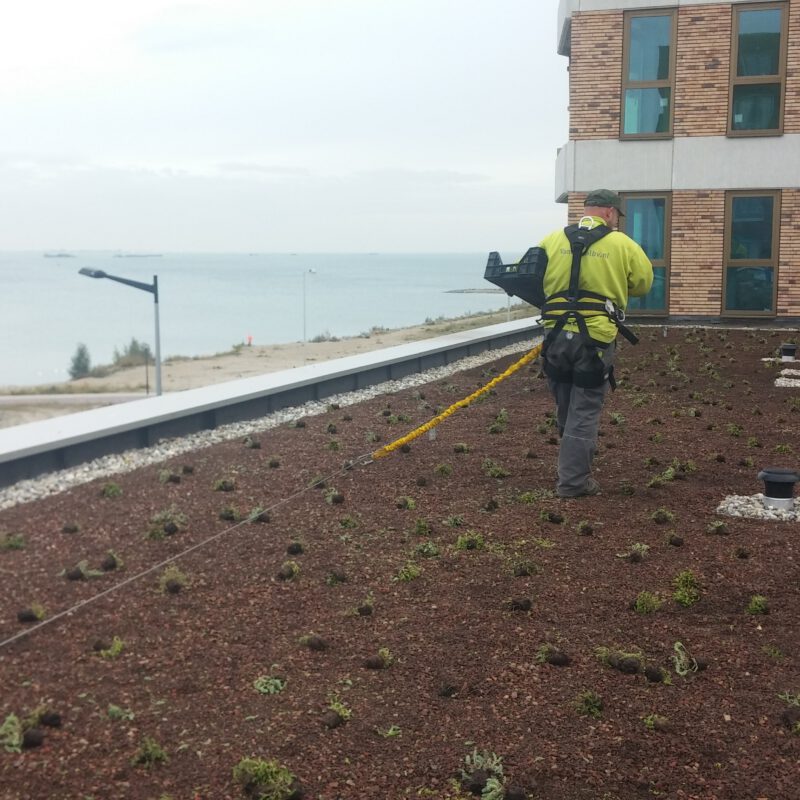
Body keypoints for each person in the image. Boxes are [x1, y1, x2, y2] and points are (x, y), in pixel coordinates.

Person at [537, 189, 653, 498]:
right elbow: (642, 284)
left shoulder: (552, 240)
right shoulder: (622, 244)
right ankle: (573, 483)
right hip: (596, 338)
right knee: (584, 410)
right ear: (611, 213)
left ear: (586, 210)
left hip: (555, 336)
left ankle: (572, 468)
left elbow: (532, 275)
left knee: (565, 403)